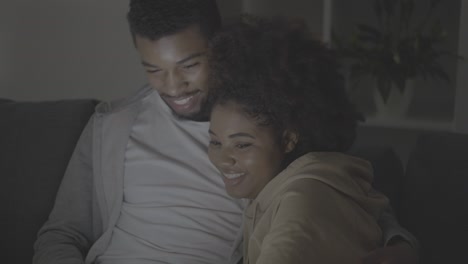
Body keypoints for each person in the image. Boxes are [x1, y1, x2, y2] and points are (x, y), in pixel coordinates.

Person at [33, 1, 418, 263]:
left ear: (219, 46)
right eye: (153, 69)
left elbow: (330, 195)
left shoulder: (265, 124)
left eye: (189, 65)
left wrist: (398, 241)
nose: (172, 86)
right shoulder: (111, 125)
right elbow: (60, 233)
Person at [205, 16, 412, 264]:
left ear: (289, 138)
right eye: (215, 142)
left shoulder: (302, 199)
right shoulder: (308, 177)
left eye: (242, 144)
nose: (224, 160)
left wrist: (404, 246)